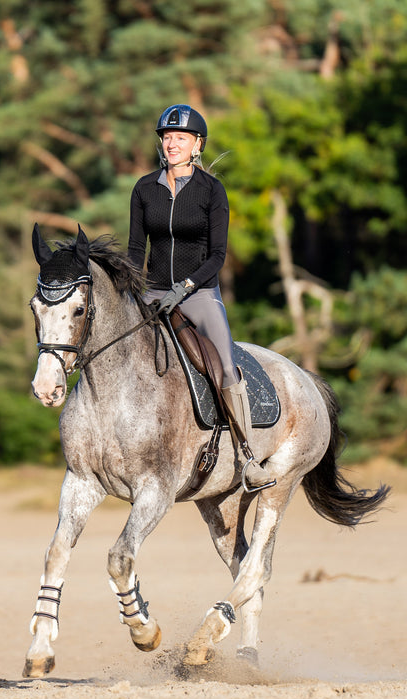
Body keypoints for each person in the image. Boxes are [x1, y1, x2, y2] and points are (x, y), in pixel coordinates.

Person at [127, 104, 272, 490]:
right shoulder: (144, 189)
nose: (171, 144)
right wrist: (135, 291)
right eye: (167, 137)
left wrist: (185, 288)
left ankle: (248, 457)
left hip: (198, 293)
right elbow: (133, 250)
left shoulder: (212, 191)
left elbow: (218, 256)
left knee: (225, 367)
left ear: (197, 145)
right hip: (153, 293)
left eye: (180, 138)